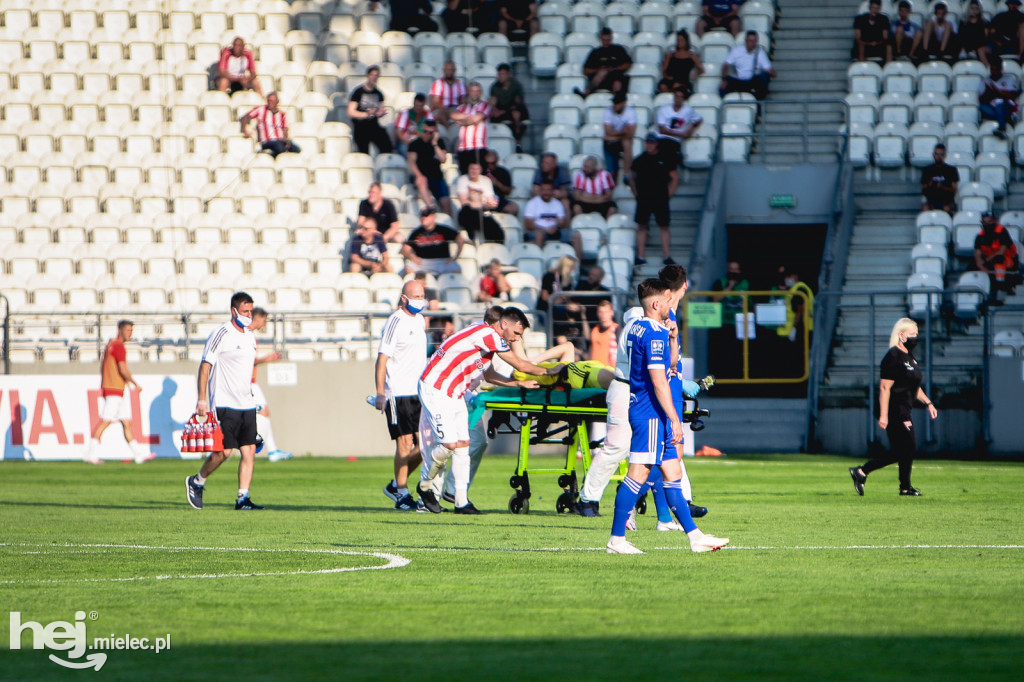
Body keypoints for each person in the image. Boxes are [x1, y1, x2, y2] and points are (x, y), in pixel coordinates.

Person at [605, 278, 729, 554]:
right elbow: (660, 381)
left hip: (649, 410)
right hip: (649, 413)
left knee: (672, 472)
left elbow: (671, 364)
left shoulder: (641, 328)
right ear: (657, 303)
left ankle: (695, 537)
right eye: (667, 300)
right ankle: (616, 540)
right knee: (638, 474)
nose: (671, 305)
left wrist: (672, 338)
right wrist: (675, 419)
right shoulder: (651, 332)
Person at [417, 307, 557, 513]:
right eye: (516, 334)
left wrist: (517, 384)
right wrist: (552, 372)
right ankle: (424, 486)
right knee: (448, 445)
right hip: (435, 389)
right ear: (504, 325)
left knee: (464, 445)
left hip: (455, 392)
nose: (516, 339)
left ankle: (461, 502)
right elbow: (521, 365)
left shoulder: (482, 338)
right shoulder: (488, 335)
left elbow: (489, 375)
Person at [185, 292, 263, 510]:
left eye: (251, 311)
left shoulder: (249, 336)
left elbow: (244, 370)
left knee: (249, 451)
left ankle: (242, 498)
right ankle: (197, 481)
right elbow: (205, 366)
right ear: (234, 311)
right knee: (224, 452)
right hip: (224, 403)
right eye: (245, 311)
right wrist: (202, 399)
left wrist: (252, 398)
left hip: (245, 404)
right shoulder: (221, 334)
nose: (249, 315)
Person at [849, 318, 937, 498]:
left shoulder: (909, 357)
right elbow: (884, 387)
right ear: (901, 335)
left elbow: (915, 386)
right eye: (912, 334)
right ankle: (901, 486)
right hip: (894, 409)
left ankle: (864, 473)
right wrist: (884, 415)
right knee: (907, 447)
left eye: (916, 334)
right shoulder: (893, 356)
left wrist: (928, 403)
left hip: (905, 408)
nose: (915, 337)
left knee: (902, 450)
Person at [375, 280, 428, 512]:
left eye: (422, 295)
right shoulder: (395, 321)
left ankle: (396, 484)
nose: (420, 300)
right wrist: (380, 392)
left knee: (427, 444)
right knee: (405, 443)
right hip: (398, 392)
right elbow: (382, 359)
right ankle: (403, 493)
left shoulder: (420, 320)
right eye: (415, 296)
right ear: (404, 298)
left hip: (419, 391)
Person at [84, 320, 155, 465]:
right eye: (128, 330)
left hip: (115, 389)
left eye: (131, 331)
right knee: (106, 421)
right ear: (120, 331)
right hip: (114, 390)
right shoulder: (118, 346)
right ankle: (90, 453)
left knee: (126, 422)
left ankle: (138, 454)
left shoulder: (110, 345)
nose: (130, 333)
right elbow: (123, 369)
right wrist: (135, 384)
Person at [630, 133, 679, 266]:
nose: (649, 145)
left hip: (660, 198)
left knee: (664, 226)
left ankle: (667, 256)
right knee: (642, 226)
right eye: (647, 143)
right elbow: (632, 178)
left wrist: (669, 194)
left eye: (652, 143)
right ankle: (640, 256)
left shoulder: (665, 158)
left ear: (656, 144)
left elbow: (674, 178)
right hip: (644, 198)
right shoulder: (640, 159)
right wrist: (636, 194)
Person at [249, 308, 291, 463]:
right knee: (262, 413)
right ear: (258, 318)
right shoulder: (247, 336)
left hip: (251, 382)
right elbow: (247, 360)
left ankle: (272, 450)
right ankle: (272, 451)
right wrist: (266, 359)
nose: (265, 323)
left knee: (263, 413)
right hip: (248, 384)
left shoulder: (249, 335)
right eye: (264, 320)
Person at [525, 179, 582, 258]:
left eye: (548, 190)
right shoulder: (532, 203)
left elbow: (562, 223)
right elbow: (528, 225)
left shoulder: (558, 204)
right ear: (540, 191)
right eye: (544, 190)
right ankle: (538, 264)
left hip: (555, 231)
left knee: (576, 235)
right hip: (538, 231)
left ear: (553, 191)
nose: (546, 193)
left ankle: (577, 265)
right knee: (539, 235)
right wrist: (545, 229)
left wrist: (557, 226)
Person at [402, 205, 465, 275]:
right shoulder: (416, 232)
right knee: (408, 268)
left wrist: (455, 257)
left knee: (456, 268)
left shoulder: (443, 230)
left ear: (433, 217)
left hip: (442, 261)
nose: (423, 218)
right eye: (422, 215)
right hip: (423, 262)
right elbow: (405, 248)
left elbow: (460, 239)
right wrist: (412, 256)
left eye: (426, 215)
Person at [408, 117, 452, 215]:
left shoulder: (439, 143)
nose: (427, 134)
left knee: (446, 204)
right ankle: (431, 208)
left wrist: (434, 144)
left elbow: (443, 159)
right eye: (425, 131)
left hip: (437, 176)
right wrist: (419, 175)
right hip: (422, 175)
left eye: (430, 132)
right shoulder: (415, 144)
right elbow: (411, 162)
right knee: (421, 181)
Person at [347, 65, 393, 155]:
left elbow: (380, 109)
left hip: (373, 125)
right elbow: (350, 112)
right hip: (360, 125)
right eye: (372, 75)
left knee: (387, 146)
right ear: (367, 75)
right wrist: (366, 115)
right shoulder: (358, 92)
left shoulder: (379, 93)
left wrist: (380, 113)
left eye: (376, 75)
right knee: (363, 150)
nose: (374, 78)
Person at [455, 161, 505, 242]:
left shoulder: (486, 180)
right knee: (468, 211)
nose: (474, 171)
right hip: (468, 213)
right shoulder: (463, 179)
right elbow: (464, 202)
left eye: (476, 169)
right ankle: (472, 239)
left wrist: (491, 204)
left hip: (482, 213)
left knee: (497, 232)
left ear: (480, 170)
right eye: (472, 168)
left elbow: (490, 200)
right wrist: (483, 205)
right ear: (468, 169)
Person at [576, 28, 633, 98]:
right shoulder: (595, 52)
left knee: (618, 82)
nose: (606, 42)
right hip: (600, 80)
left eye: (608, 40)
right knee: (602, 72)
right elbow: (585, 70)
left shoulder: (618, 50)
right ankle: (588, 92)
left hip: (615, 76)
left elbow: (628, 64)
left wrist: (614, 68)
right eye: (604, 40)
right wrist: (598, 70)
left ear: (611, 38)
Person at [720, 31, 777, 100]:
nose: (752, 43)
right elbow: (726, 65)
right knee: (723, 87)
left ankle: (758, 104)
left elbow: (768, 69)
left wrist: (772, 72)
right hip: (738, 80)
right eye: (750, 41)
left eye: (754, 41)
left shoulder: (760, 53)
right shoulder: (737, 50)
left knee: (763, 77)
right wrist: (724, 80)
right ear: (745, 41)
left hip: (752, 81)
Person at [241, 92, 300, 158]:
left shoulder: (282, 114)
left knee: (296, 149)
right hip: (267, 141)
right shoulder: (261, 110)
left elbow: (285, 130)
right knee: (279, 147)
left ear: (277, 102)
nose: (269, 103)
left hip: (280, 141)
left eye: (271, 101)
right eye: (268, 101)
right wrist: (244, 130)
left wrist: (286, 142)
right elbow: (245, 117)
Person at [656, 86, 703, 168]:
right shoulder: (663, 110)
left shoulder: (688, 110)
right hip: (662, 139)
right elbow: (661, 130)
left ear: (684, 99)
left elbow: (699, 119)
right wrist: (682, 135)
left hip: (675, 141)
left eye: (680, 97)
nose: (677, 99)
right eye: (676, 96)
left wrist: (691, 128)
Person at [974, 211, 1021, 294]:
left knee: (999, 259)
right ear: (981, 223)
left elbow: (1001, 251)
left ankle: (1001, 285)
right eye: (984, 222)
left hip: (1008, 260)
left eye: (989, 221)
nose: (987, 224)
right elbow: (977, 254)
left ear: (994, 221)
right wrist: (980, 265)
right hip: (989, 261)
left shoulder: (1002, 232)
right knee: (972, 266)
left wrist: (986, 261)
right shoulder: (980, 236)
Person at [452, 81, 491, 174]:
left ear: (481, 92)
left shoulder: (485, 105)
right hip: (463, 147)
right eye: (473, 91)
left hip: (478, 146)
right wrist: (470, 118)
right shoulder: (462, 107)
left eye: (477, 91)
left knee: (479, 175)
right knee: (464, 174)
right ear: (469, 92)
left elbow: (476, 119)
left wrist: (463, 120)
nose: (475, 93)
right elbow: (454, 116)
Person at [978, 60, 1021, 139]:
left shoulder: (1009, 79)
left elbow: (1012, 96)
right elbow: (981, 99)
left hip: (1006, 105)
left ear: (1001, 70)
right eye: (992, 70)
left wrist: (997, 92)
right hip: (991, 106)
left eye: (996, 70)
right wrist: (988, 93)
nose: (994, 72)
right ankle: (1006, 118)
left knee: (1000, 107)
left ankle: (1002, 129)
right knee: (982, 107)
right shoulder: (985, 81)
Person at [489, 63, 528, 145]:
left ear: (509, 74)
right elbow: (492, 101)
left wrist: (503, 111)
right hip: (500, 109)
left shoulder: (516, 86)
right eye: (499, 74)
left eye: (503, 74)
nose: (500, 77)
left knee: (516, 114)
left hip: (513, 109)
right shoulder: (494, 87)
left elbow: (517, 103)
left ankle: (517, 140)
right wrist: (494, 110)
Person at [602, 91, 637, 181]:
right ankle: (613, 176)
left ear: (624, 104)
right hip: (611, 143)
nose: (614, 105)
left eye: (617, 103)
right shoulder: (608, 111)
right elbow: (607, 131)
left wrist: (613, 136)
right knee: (612, 173)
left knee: (627, 142)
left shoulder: (630, 112)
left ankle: (626, 173)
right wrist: (622, 132)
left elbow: (631, 134)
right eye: (614, 102)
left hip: (621, 141)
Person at [659, 30, 704, 95]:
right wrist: (667, 77)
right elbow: (664, 69)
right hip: (671, 80)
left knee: (677, 86)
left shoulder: (691, 56)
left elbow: (701, 69)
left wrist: (694, 75)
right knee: (663, 86)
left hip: (683, 81)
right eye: (678, 40)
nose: (680, 42)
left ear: (686, 41)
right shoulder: (671, 55)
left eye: (681, 40)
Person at [920, 143, 959, 214]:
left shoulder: (951, 170)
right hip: (931, 200)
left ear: (945, 155)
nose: (938, 156)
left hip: (946, 201)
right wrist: (929, 184)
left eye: (941, 154)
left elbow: (954, 190)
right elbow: (923, 189)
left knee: (946, 208)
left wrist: (943, 187)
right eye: (936, 154)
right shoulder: (927, 170)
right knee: (925, 208)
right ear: (933, 155)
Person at [429, 61, 466, 126]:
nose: (449, 72)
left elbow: (463, 100)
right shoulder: (438, 83)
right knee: (441, 115)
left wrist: (459, 109)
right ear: (444, 70)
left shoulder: (460, 84)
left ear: (454, 71)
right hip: (441, 109)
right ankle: (450, 131)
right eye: (447, 69)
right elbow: (435, 102)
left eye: (451, 69)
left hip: (455, 108)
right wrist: (448, 110)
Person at [483, 149, 518, 216]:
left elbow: (508, 191)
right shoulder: (480, 171)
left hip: (499, 201)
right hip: (484, 200)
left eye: (492, 163)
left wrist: (496, 183)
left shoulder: (503, 172)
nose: (490, 166)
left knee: (513, 208)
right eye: (487, 163)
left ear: (497, 161)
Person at [957, 0, 991, 66]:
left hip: (978, 47)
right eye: (972, 8)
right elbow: (960, 37)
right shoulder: (963, 23)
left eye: (976, 8)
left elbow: (984, 38)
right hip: (965, 47)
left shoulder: (984, 23)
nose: (974, 10)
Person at [589, 300, 618, 366]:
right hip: (593, 369)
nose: (603, 315)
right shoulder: (594, 330)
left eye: (606, 312)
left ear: (612, 313)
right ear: (597, 313)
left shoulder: (616, 329)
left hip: (609, 371)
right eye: (601, 312)